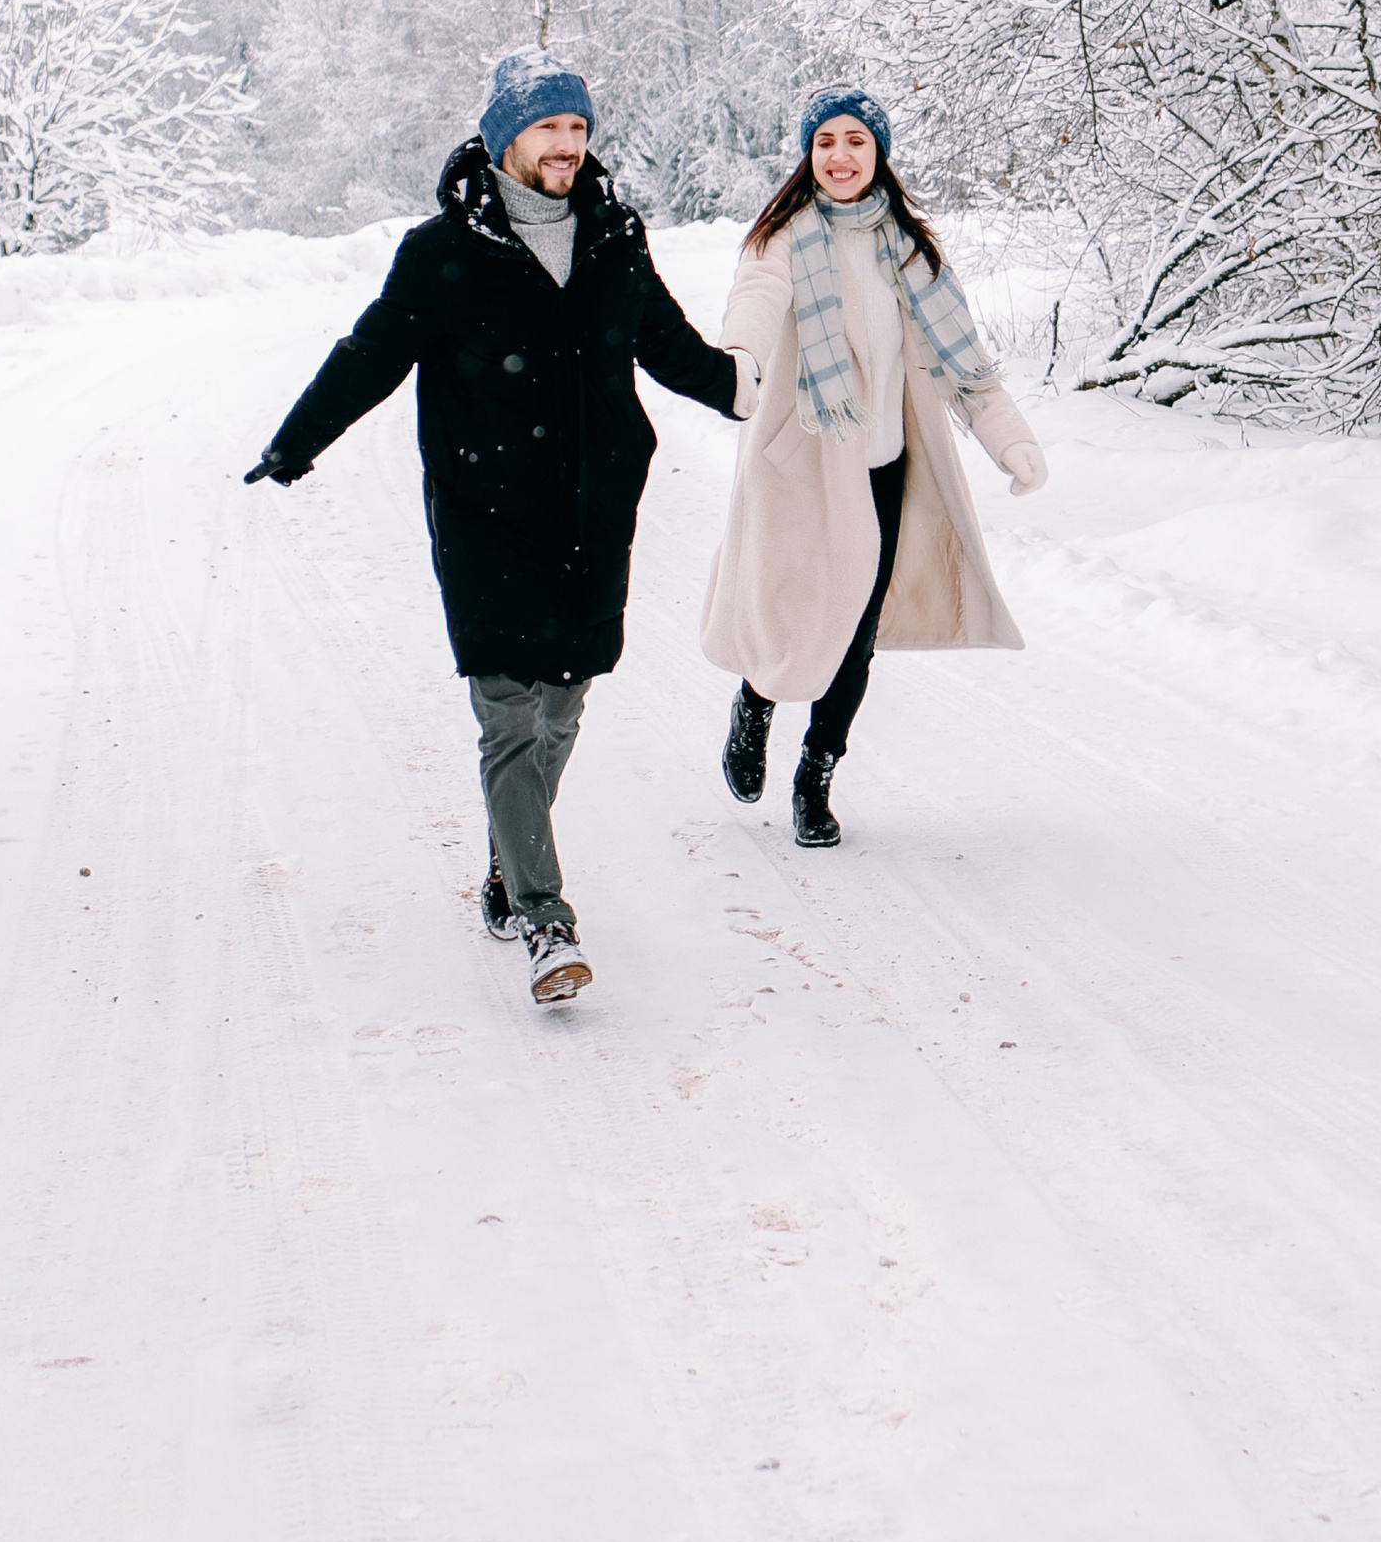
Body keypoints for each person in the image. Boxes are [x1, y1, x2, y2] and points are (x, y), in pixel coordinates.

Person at [246, 50, 750, 1006]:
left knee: (563, 705)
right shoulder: (442, 252)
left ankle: (504, 865)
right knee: (510, 718)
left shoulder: (613, 235)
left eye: (578, 128)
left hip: (594, 509)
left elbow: (669, 345)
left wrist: (752, 393)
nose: (567, 146)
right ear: (502, 136)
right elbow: (370, 356)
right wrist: (296, 440)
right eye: (548, 128)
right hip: (485, 513)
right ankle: (545, 920)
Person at [702, 85, 1047, 849]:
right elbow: (754, 305)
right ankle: (755, 701)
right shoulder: (780, 240)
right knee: (792, 609)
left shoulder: (910, 250)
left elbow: (965, 364)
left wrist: (1009, 442)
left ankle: (816, 776)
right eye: (825, 142)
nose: (840, 156)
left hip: (882, 467)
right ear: (808, 156)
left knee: (855, 632)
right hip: (799, 468)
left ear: (878, 152)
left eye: (856, 140)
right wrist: (738, 361)